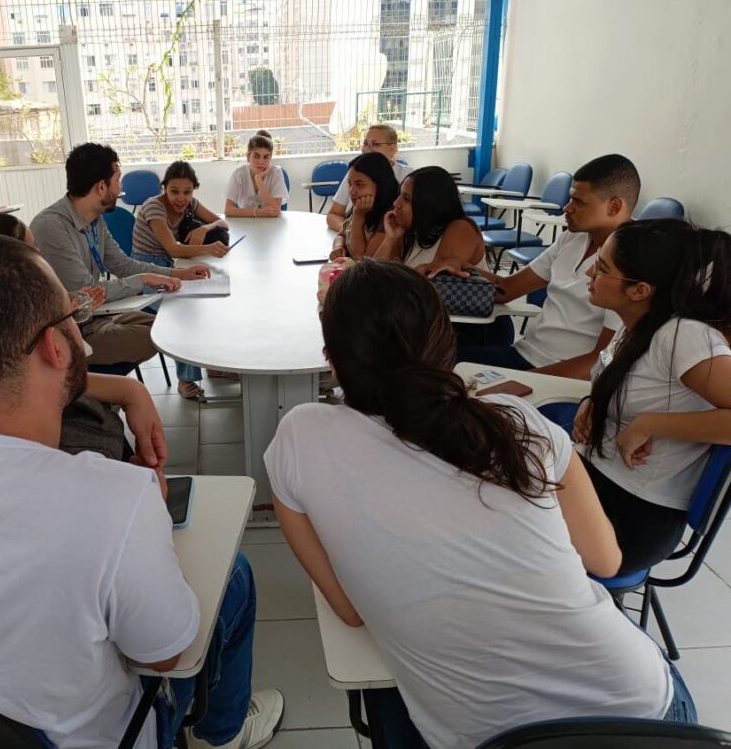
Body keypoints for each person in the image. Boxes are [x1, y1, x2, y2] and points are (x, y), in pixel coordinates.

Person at [0, 235, 284, 749]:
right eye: (73, 315)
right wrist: (147, 522)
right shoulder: (114, 499)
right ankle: (223, 733)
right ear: (55, 347)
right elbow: (166, 654)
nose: (81, 326)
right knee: (233, 576)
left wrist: (130, 388)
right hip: (94, 738)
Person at [265, 259, 694, 749]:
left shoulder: (301, 435)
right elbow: (606, 560)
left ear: (332, 360)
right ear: (446, 344)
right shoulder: (519, 422)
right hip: (647, 713)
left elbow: (350, 611)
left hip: (491, 738)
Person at [573, 220, 731, 574]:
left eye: (601, 268)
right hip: (599, 482)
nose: (589, 272)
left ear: (639, 290)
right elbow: (634, 383)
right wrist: (595, 403)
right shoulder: (637, 323)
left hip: (631, 517)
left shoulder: (682, 336)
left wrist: (651, 424)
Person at [0, 211, 168, 461]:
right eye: (33, 250)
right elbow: (52, 376)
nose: (41, 255)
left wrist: (130, 390)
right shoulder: (20, 326)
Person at [424, 153, 639, 378]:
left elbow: (600, 361)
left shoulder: (631, 262)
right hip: (525, 355)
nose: (567, 208)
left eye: (579, 202)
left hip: (562, 375)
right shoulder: (573, 238)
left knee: (438, 379)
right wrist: (463, 266)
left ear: (614, 206)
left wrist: (529, 379)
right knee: (428, 360)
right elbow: (508, 289)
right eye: (570, 199)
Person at [30, 143, 211, 368]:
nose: (121, 188)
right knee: (164, 335)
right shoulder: (51, 228)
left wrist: (177, 273)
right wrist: (143, 280)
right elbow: (86, 295)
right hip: (73, 334)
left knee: (172, 325)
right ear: (101, 187)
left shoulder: (94, 219)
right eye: (118, 181)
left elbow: (122, 264)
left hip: (99, 316)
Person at [376, 165, 510, 347]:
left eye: (406, 199)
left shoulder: (460, 229)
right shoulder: (413, 232)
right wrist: (390, 239)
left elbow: (434, 294)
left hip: (473, 332)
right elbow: (375, 279)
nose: (396, 203)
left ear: (429, 205)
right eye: (400, 195)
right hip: (433, 327)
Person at [132, 160, 230, 399]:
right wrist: (208, 248)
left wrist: (205, 228)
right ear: (164, 188)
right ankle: (186, 380)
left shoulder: (190, 203)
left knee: (212, 301)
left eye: (187, 192)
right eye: (174, 191)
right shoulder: (154, 208)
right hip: (147, 271)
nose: (181, 198)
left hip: (172, 267)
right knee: (184, 312)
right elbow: (173, 248)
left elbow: (222, 221)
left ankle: (213, 364)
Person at [326, 124, 412, 233]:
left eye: (376, 144)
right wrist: (349, 232)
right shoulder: (355, 173)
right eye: (365, 143)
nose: (367, 149)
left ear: (392, 148)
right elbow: (333, 215)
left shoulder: (409, 176)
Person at [328, 153, 399, 260]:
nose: (352, 191)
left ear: (381, 185)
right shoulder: (362, 206)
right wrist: (338, 247)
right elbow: (341, 235)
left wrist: (358, 217)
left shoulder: (391, 216)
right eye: (350, 184)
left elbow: (361, 258)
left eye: (359, 184)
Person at [223, 131, 289, 217]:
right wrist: (259, 212)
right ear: (248, 157)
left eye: (266, 157)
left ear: (270, 158)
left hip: (270, 223)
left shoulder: (276, 173)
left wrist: (259, 180)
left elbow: (276, 210)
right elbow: (228, 210)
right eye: (256, 156)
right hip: (245, 222)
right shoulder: (239, 174)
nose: (261, 162)